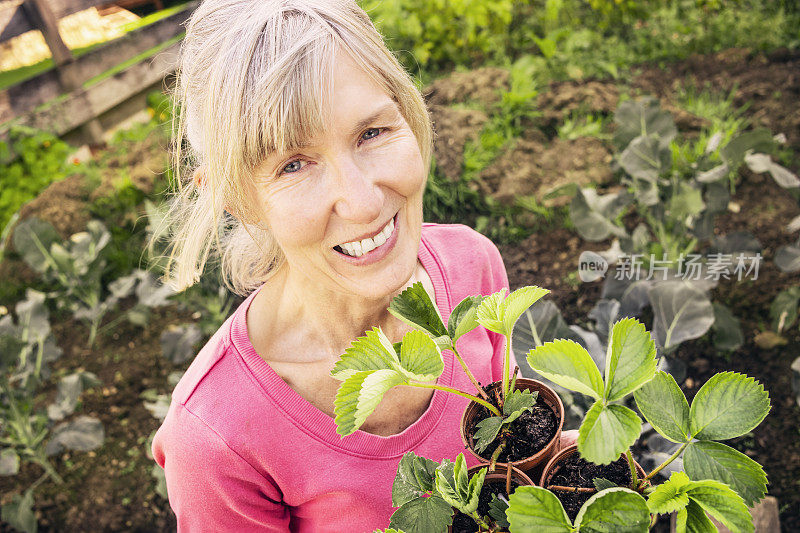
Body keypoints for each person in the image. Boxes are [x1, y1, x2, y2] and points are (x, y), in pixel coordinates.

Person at [151, 0, 576, 530]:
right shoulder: (217, 436)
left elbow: (512, 459)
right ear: (237, 200)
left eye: (371, 133)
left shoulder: (472, 265)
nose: (364, 203)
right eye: (294, 164)